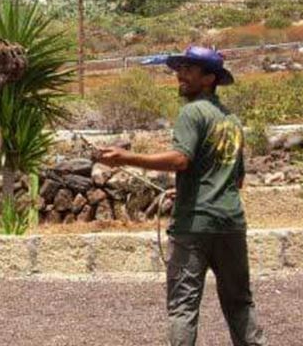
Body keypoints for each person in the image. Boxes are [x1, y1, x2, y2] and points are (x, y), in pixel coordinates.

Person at [97, 46, 265, 346]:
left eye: (190, 69)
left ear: (210, 78)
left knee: (183, 307)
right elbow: (235, 180)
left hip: (193, 226)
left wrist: (125, 158)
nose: (180, 75)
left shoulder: (191, 112)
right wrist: (188, 186)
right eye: (180, 68)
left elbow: (180, 160)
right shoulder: (233, 121)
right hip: (230, 224)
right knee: (240, 303)